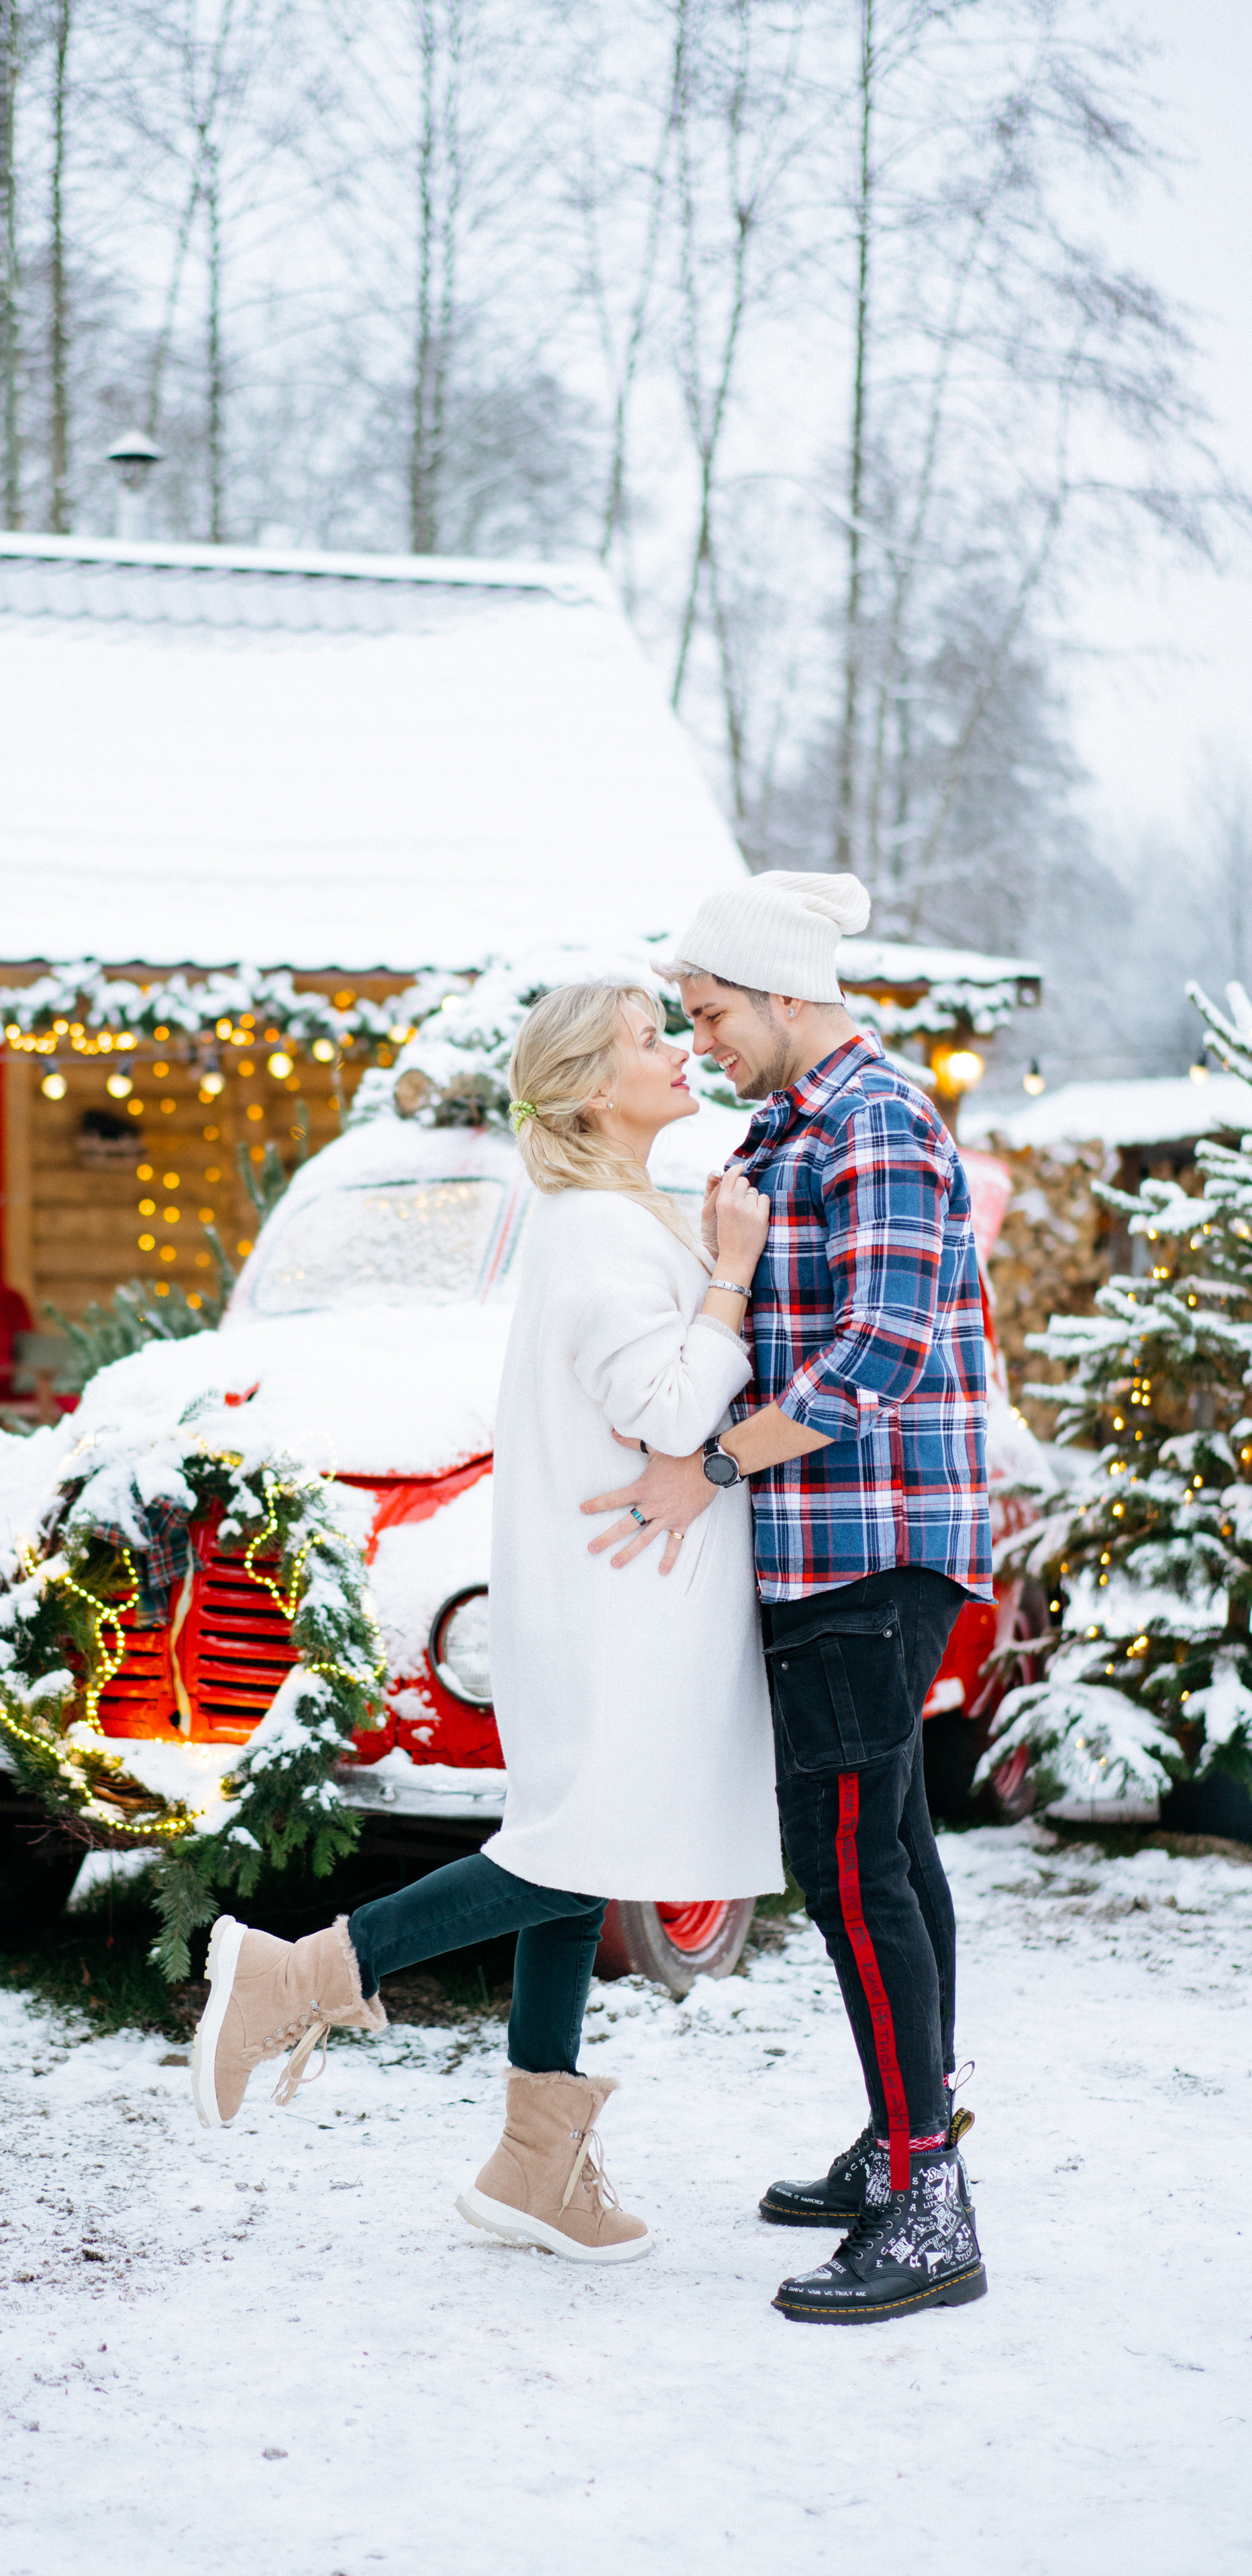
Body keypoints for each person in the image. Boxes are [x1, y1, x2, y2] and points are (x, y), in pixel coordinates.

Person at [190, 980, 784, 2264]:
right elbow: (677, 1413)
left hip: (616, 1595)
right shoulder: (594, 1236)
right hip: (615, 1606)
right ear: (585, 1089)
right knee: (568, 1853)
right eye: (645, 1039)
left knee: (576, 1859)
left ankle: (536, 2165)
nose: (677, 1050)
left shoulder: (613, 1216)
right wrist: (731, 1272)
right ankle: (299, 1977)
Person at [583, 871, 992, 2325]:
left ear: (780, 991)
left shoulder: (874, 1118)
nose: (700, 1043)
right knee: (884, 1841)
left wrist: (711, 1459)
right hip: (832, 1545)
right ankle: (908, 2135)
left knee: (845, 1867)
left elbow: (878, 1346)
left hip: (864, 1544)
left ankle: (928, 2200)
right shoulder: (796, 1124)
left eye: (709, 1014)